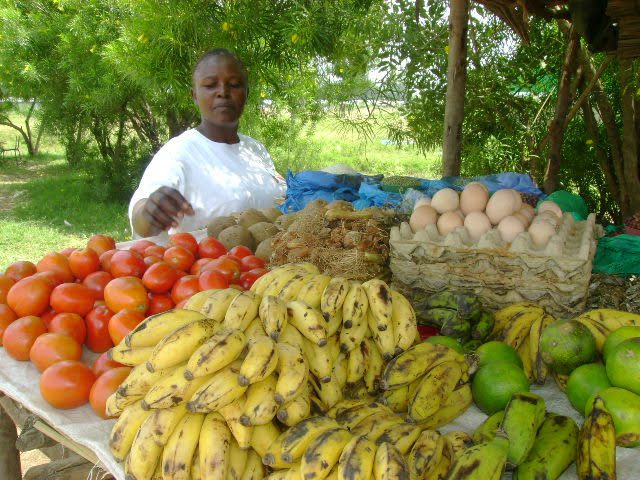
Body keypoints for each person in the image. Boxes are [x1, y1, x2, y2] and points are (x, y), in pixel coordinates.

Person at [129, 48, 286, 239]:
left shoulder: (255, 149)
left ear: (246, 93)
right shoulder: (178, 153)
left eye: (234, 84)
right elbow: (141, 217)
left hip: (272, 267)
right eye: (211, 85)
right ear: (194, 95)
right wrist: (148, 212)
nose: (223, 92)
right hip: (210, 267)